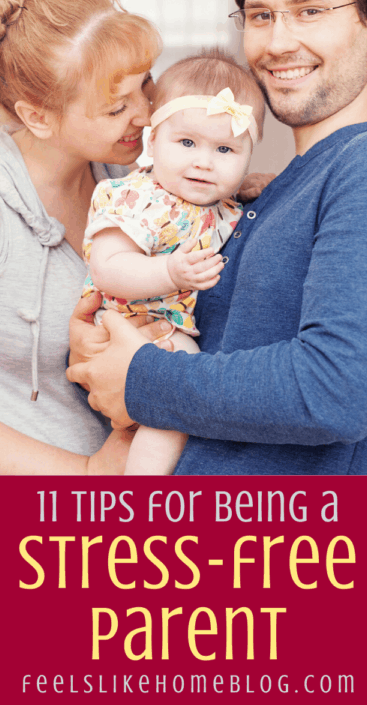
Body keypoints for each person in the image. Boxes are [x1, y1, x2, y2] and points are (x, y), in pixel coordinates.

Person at [68, 0, 367, 476]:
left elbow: (335, 388)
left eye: (309, 11)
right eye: (260, 14)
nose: (278, 42)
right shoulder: (256, 195)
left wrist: (140, 378)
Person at [0, 0, 167, 475]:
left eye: (144, 86)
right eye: (115, 106)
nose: (145, 114)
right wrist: (84, 477)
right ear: (37, 117)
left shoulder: (124, 184)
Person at [81, 52, 266, 474]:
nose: (203, 161)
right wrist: (168, 272)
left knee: (180, 395)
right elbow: (107, 266)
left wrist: (259, 185)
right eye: (186, 143)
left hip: (164, 328)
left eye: (225, 149)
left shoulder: (224, 207)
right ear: (151, 141)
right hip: (125, 323)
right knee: (177, 399)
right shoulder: (135, 196)